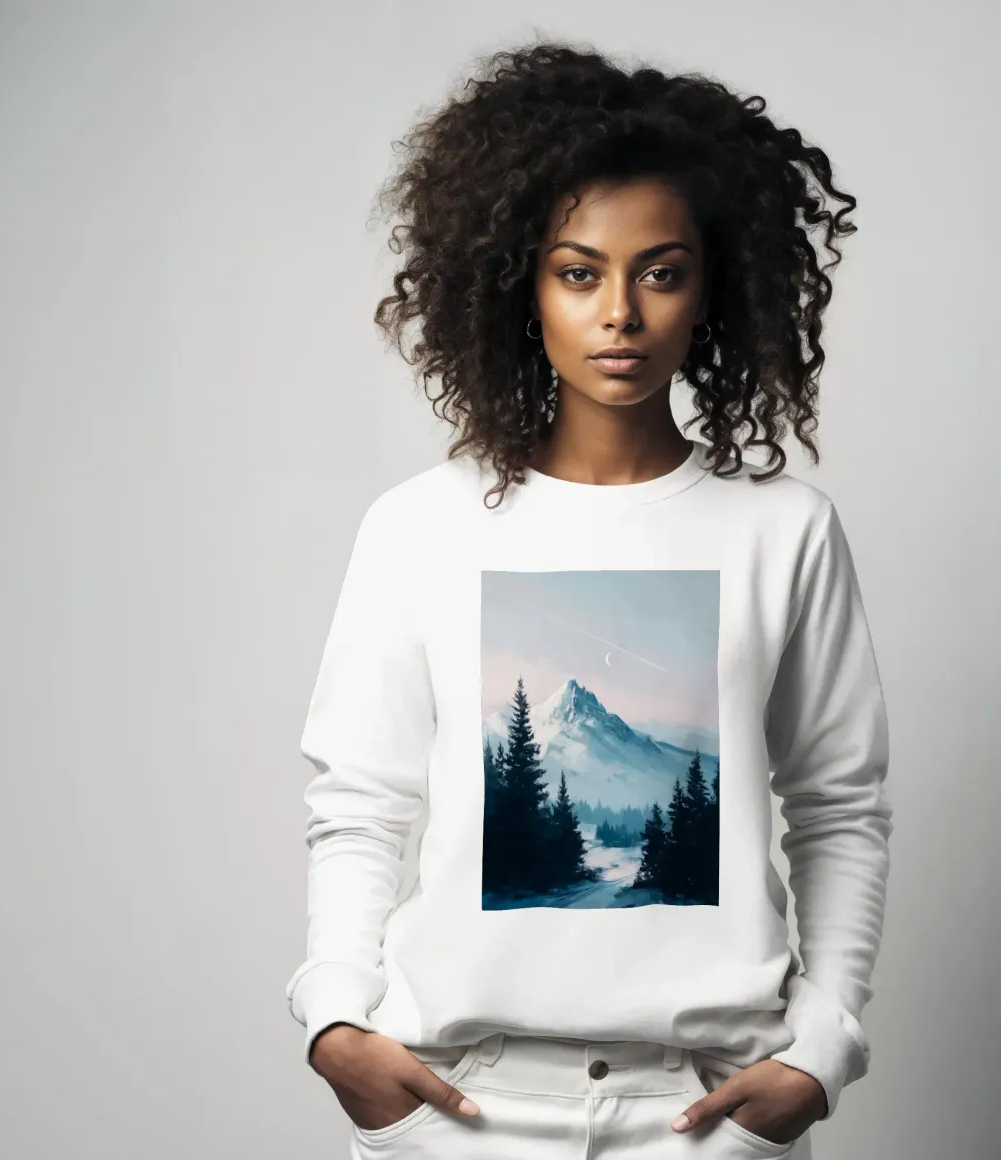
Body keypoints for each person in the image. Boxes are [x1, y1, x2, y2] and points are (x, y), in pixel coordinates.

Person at [285, 40, 893, 1160]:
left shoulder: (782, 530)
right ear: (522, 284)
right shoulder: (418, 526)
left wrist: (821, 1046)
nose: (619, 311)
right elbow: (360, 800)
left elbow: (839, 804)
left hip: (704, 1115)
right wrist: (332, 1017)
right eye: (578, 272)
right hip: (459, 1108)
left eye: (660, 271)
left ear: (712, 288)